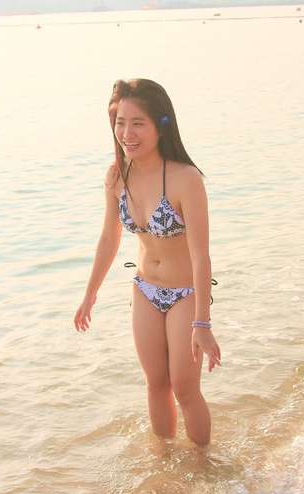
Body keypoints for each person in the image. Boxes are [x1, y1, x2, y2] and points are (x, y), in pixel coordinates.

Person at [74, 78, 221, 446]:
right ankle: (164, 464)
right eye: (120, 122)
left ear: (161, 124)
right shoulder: (116, 176)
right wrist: (90, 294)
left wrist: (202, 322)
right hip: (145, 289)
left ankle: (205, 465)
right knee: (156, 383)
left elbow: (201, 254)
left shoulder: (186, 179)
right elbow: (109, 238)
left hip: (186, 294)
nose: (127, 133)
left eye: (138, 123)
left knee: (185, 389)